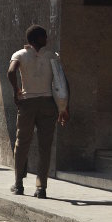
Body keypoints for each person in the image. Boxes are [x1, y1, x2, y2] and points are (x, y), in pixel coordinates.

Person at [7, 25, 70, 199]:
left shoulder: (19, 55)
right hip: (48, 104)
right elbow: (62, 82)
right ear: (39, 39)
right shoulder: (52, 56)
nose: (47, 40)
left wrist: (16, 90)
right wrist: (64, 107)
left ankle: (18, 183)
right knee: (45, 146)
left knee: (22, 143)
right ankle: (41, 187)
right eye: (45, 37)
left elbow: (11, 71)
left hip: (27, 103)